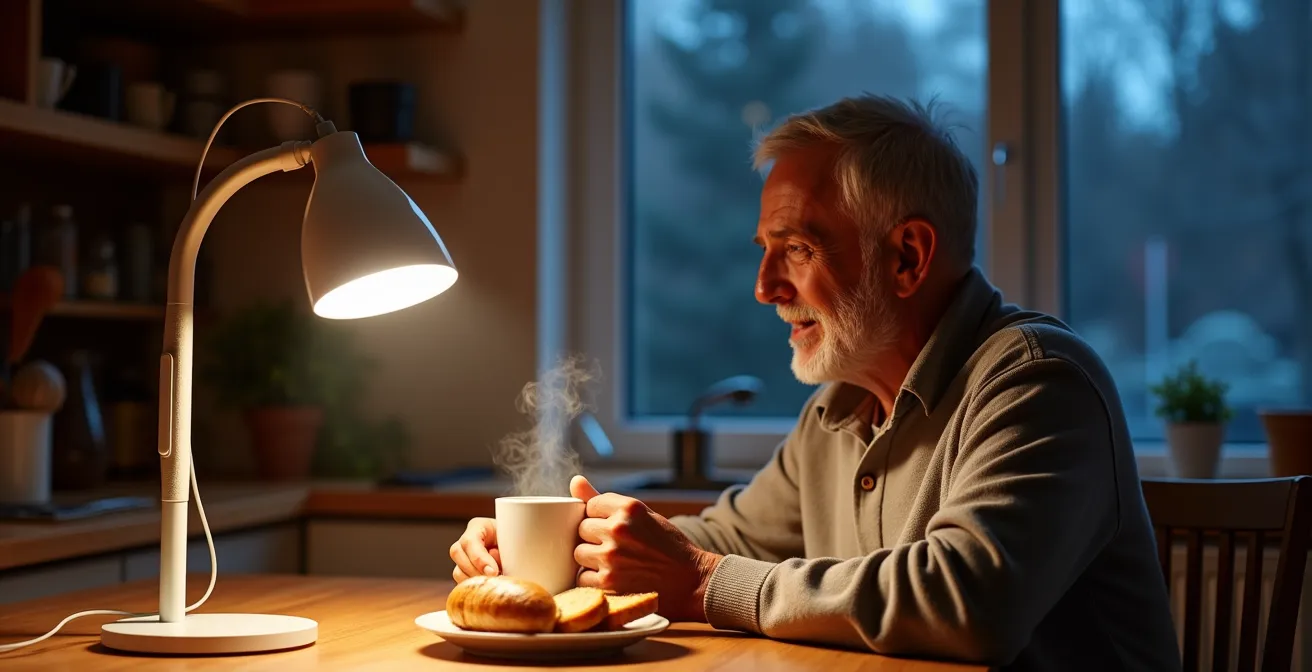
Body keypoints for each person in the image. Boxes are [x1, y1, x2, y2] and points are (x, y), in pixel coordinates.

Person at [450, 95, 1181, 670]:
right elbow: (726, 538)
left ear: (907, 257)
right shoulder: (841, 409)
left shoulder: (1037, 383)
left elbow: (969, 602)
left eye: (796, 248)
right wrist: (558, 547)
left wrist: (703, 583)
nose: (765, 286)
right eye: (764, 250)